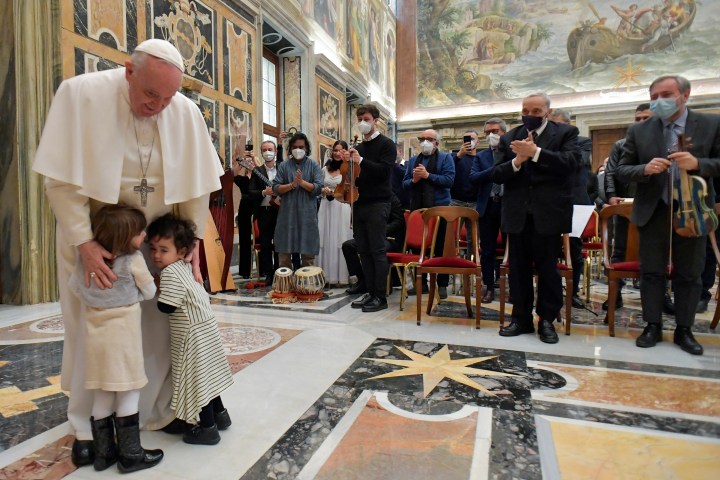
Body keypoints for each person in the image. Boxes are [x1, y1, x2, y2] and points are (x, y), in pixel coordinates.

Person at [32, 39, 223, 467]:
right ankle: (85, 427)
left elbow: (196, 187)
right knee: (91, 332)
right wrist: (84, 242)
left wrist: (188, 245)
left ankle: (153, 412)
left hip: (155, 249)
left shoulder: (185, 112)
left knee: (157, 327)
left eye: (168, 97)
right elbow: (60, 182)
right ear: (128, 71)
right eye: (150, 94)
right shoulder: (81, 94)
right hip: (96, 244)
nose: (158, 105)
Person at [617, 75, 720, 356]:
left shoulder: (711, 123)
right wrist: (644, 169)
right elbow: (622, 169)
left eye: (666, 94)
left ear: (685, 95)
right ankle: (652, 325)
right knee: (651, 272)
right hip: (654, 209)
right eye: (654, 96)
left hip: (694, 210)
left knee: (690, 273)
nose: (659, 100)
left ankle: (684, 329)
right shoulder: (639, 130)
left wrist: (699, 162)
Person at [68, 204, 163, 473]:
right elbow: (149, 291)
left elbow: (75, 288)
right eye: (139, 232)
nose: (144, 235)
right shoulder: (133, 260)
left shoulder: (87, 261)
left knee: (102, 393)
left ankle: (104, 453)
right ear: (124, 237)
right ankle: (131, 454)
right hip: (124, 340)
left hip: (95, 342)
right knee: (129, 392)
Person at [492, 92, 580, 344]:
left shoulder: (565, 134)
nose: (530, 116)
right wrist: (518, 161)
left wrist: (537, 152)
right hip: (517, 213)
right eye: (525, 111)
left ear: (547, 112)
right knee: (518, 269)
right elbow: (497, 174)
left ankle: (547, 320)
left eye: (536, 112)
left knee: (547, 270)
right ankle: (520, 318)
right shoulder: (509, 137)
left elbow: (571, 164)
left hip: (549, 213)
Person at [148, 214, 234, 445]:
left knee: (197, 381)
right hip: (206, 328)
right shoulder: (184, 266)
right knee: (209, 376)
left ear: (181, 250)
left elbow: (167, 307)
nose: (156, 255)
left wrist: (155, 288)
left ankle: (207, 429)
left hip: (190, 335)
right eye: (153, 249)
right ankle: (221, 416)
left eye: (163, 250)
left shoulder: (168, 273)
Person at [346, 103, 397, 313]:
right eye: (359, 119)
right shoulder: (358, 148)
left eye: (366, 119)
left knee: (376, 250)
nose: (362, 123)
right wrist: (345, 163)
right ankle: (369, 291)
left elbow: (384, 172)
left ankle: (380, 296)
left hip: (379, 203)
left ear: (376, 120)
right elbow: (354, 176)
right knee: (363, 250)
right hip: (360, 203)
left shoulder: (387, 144)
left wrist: (362, 160)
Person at [603, 103, 653, 310]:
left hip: (653, 205)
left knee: (655, 251)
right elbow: (611, 172)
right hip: (624, 205)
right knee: (619, 250)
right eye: (637, 119)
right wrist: (612, 196)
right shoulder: (621, 144)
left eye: (646, 118)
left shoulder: (664, 143)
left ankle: (659, 297)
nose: (641, 122)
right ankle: (615, 294)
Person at [402, 129, 455, 299]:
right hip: (418, 209)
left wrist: (428, 175)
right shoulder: (412, 161)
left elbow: (449, 181)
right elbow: (404, 184)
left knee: (441, 248)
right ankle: (421, 283)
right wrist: (415, 180)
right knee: (418, 248)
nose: (425, 142)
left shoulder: (446, 158)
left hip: (441, 209)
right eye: (422, 138)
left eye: (429, 139)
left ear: (436, 143)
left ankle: (442, 284)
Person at [550, 109, 593, 309]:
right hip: (550, 201)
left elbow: (577, 162)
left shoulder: (582, 142)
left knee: (574, 249)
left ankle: (573, 291)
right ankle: (552, 291)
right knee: (548, 249)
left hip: (575, 201)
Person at [272, 132, 323, 268]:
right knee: (284, 254)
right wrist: (291, 185)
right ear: (290, 149)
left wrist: (301, 183)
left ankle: (307, 286)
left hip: (307, 215)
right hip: (287, 215)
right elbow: (275, 188)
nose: (298, 150)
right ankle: (286, 286)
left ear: (306, 148)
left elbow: (318, 188)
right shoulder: (284, 166)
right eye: (295, 147)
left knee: (308, 255)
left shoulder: (314, 166)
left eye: (301, 147)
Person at [470, 118, 508, 303]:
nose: (490, 135)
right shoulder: (481, 156)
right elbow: (474, 177)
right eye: (486, 133)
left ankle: (513, 287)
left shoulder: (512, 153)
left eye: (494, 131)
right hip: (488, 206)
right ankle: (489, 287)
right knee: (487, 250)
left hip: (508, 206)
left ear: (504, 132)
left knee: (513, 249)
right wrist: (494, 170)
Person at [343, 192, 406, 294]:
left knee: (376, 248)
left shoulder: (391, 197)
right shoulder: (368, 198)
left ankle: (381, 286)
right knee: (348, 246)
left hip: (390, 239)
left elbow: (399, 221)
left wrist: (381, 230)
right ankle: (363, 281)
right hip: (371, 237)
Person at [318, 140, 353, 285]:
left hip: (341, 206)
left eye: (340, 150)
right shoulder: (325, 169)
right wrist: (323, 190)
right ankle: (326, 275)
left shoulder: (349, 168)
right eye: (335, 150)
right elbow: (318, 187)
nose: (337, 153)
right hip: (326, 205)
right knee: (326, 238)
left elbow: (352, 188)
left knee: (340, 238)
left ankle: (343, 276)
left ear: (345, 151)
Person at [248, 140, 281, 285]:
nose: (268, 152)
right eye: (265, 149)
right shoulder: (257, 171)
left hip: (281, 210)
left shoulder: (282, 168)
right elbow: (250, 191)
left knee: (280, 243)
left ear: (276, 152)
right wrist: (263, 192)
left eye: (270, 149)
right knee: (266, 243)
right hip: (264, 211)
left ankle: (281, 272)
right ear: (261, 153)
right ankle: (269, 274)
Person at [451, 129, 481, 262]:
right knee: (450, 237)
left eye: (472, 139)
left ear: (478, 142)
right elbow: (448, 170)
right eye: (466, 139)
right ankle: (451, 267)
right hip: (456, 201)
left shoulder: (481, 158)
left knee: (473, 239)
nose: (469, 142)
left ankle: (471, 267)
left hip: (475, 202)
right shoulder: (454, 157)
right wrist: (459, 155)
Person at [234, 147, 257, 279]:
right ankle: (245, 271)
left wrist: (254, 160)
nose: (250, 164)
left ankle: (264, 269)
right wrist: (241, 161)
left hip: (256, 207)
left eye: (251, 162)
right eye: (248, 162)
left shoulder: (258, 176)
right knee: (244, 239)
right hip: (244, 208)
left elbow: (262, 171)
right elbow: (233, 175)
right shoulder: (242, 179)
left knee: (260, 238)